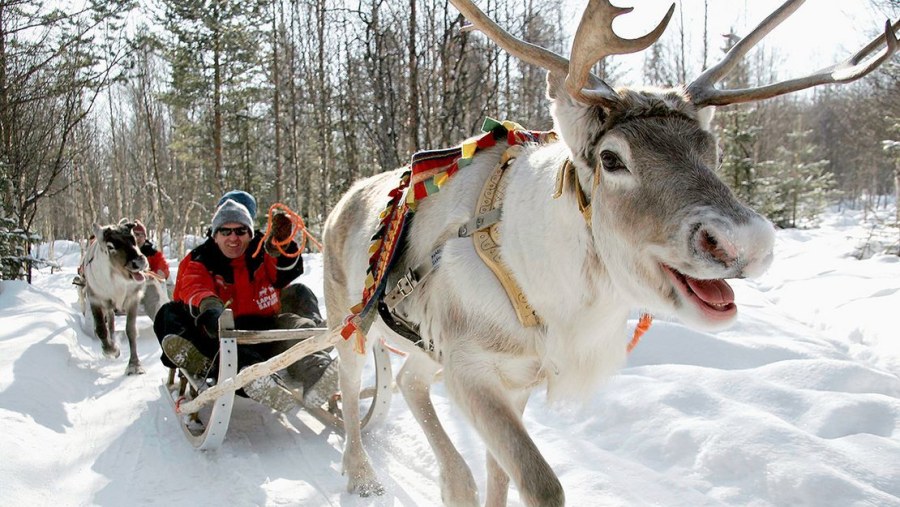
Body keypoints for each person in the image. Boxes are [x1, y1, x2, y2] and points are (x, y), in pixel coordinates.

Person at [153, 190, 337, 412]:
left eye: (241, 231)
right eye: (226, 231)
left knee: (296, 327)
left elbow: (282, 272)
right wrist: (210, 307)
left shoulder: (260, 249)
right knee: (179, 318)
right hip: (225, 330)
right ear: (215, 234)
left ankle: (317, 371)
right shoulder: (201, 257)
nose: (233, 237)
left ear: (250, 233)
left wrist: (282, 247)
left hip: (266, 325)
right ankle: (255, 379)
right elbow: (194, 284)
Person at [132, 219, 170, 319]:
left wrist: (160, 272)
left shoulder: (152, 253)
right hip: (124, 289)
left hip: (145, 288)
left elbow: (162, 267)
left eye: (141, 235)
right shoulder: (122, 252)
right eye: (136, 234)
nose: (138, 238)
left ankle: (162, 326)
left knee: (153, 293)